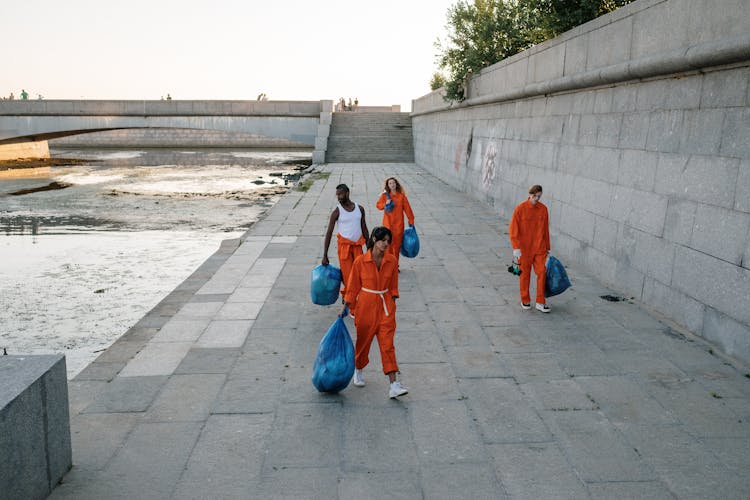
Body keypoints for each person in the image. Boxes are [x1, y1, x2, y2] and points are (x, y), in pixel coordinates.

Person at [340, 226, 408, 399]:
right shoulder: (361, 262)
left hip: (385, 307)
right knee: (363, 342)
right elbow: (353, 286)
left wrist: (392, 304)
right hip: (365, 306)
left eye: (388, 241)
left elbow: (393, 286)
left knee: (387, 345)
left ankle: (394, 384)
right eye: (382, 240)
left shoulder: (392, 261)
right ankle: (358, 369)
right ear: (374, 240)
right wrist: (346, 307)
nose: (385, 244)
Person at [323, 184, 369, 301]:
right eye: (337, 195)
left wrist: (370, 248)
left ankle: (352, 295)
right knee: (348, 275)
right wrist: (325, 254)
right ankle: (350, 301)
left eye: (341, 194)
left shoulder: (360, 209)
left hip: (358, 246)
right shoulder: (337, 212)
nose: (338, 197)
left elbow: (364, 228)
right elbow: (329, 233)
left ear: (347, 193)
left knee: (360, 274)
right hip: (344, 249)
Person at [509, 184, 551, 313]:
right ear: (529, 194)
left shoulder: (543, 209)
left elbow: (545, 230)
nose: (536, 199)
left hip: (539, 248)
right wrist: (516, 247)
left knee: (542, 273)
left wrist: (547, 248)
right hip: (524, 249)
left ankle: (540, 302)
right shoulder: (520, 209)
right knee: (524, 275)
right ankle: (525, 299)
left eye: (539, 196)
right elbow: (513, 229)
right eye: (534, 196)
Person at [375, 177, 415, 266]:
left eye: (393, 183)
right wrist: (385, 203)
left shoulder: (401, 196)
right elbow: (378, 205)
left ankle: (395, 265)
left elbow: (408, 209)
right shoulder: (385, 196)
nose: (392, 185)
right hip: (387, 226)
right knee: (387, 247)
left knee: (396, 248)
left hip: (398, 226)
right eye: (390, 183)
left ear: (396, 184)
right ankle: (386, 265)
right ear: (388, 186)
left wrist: (411, 220)